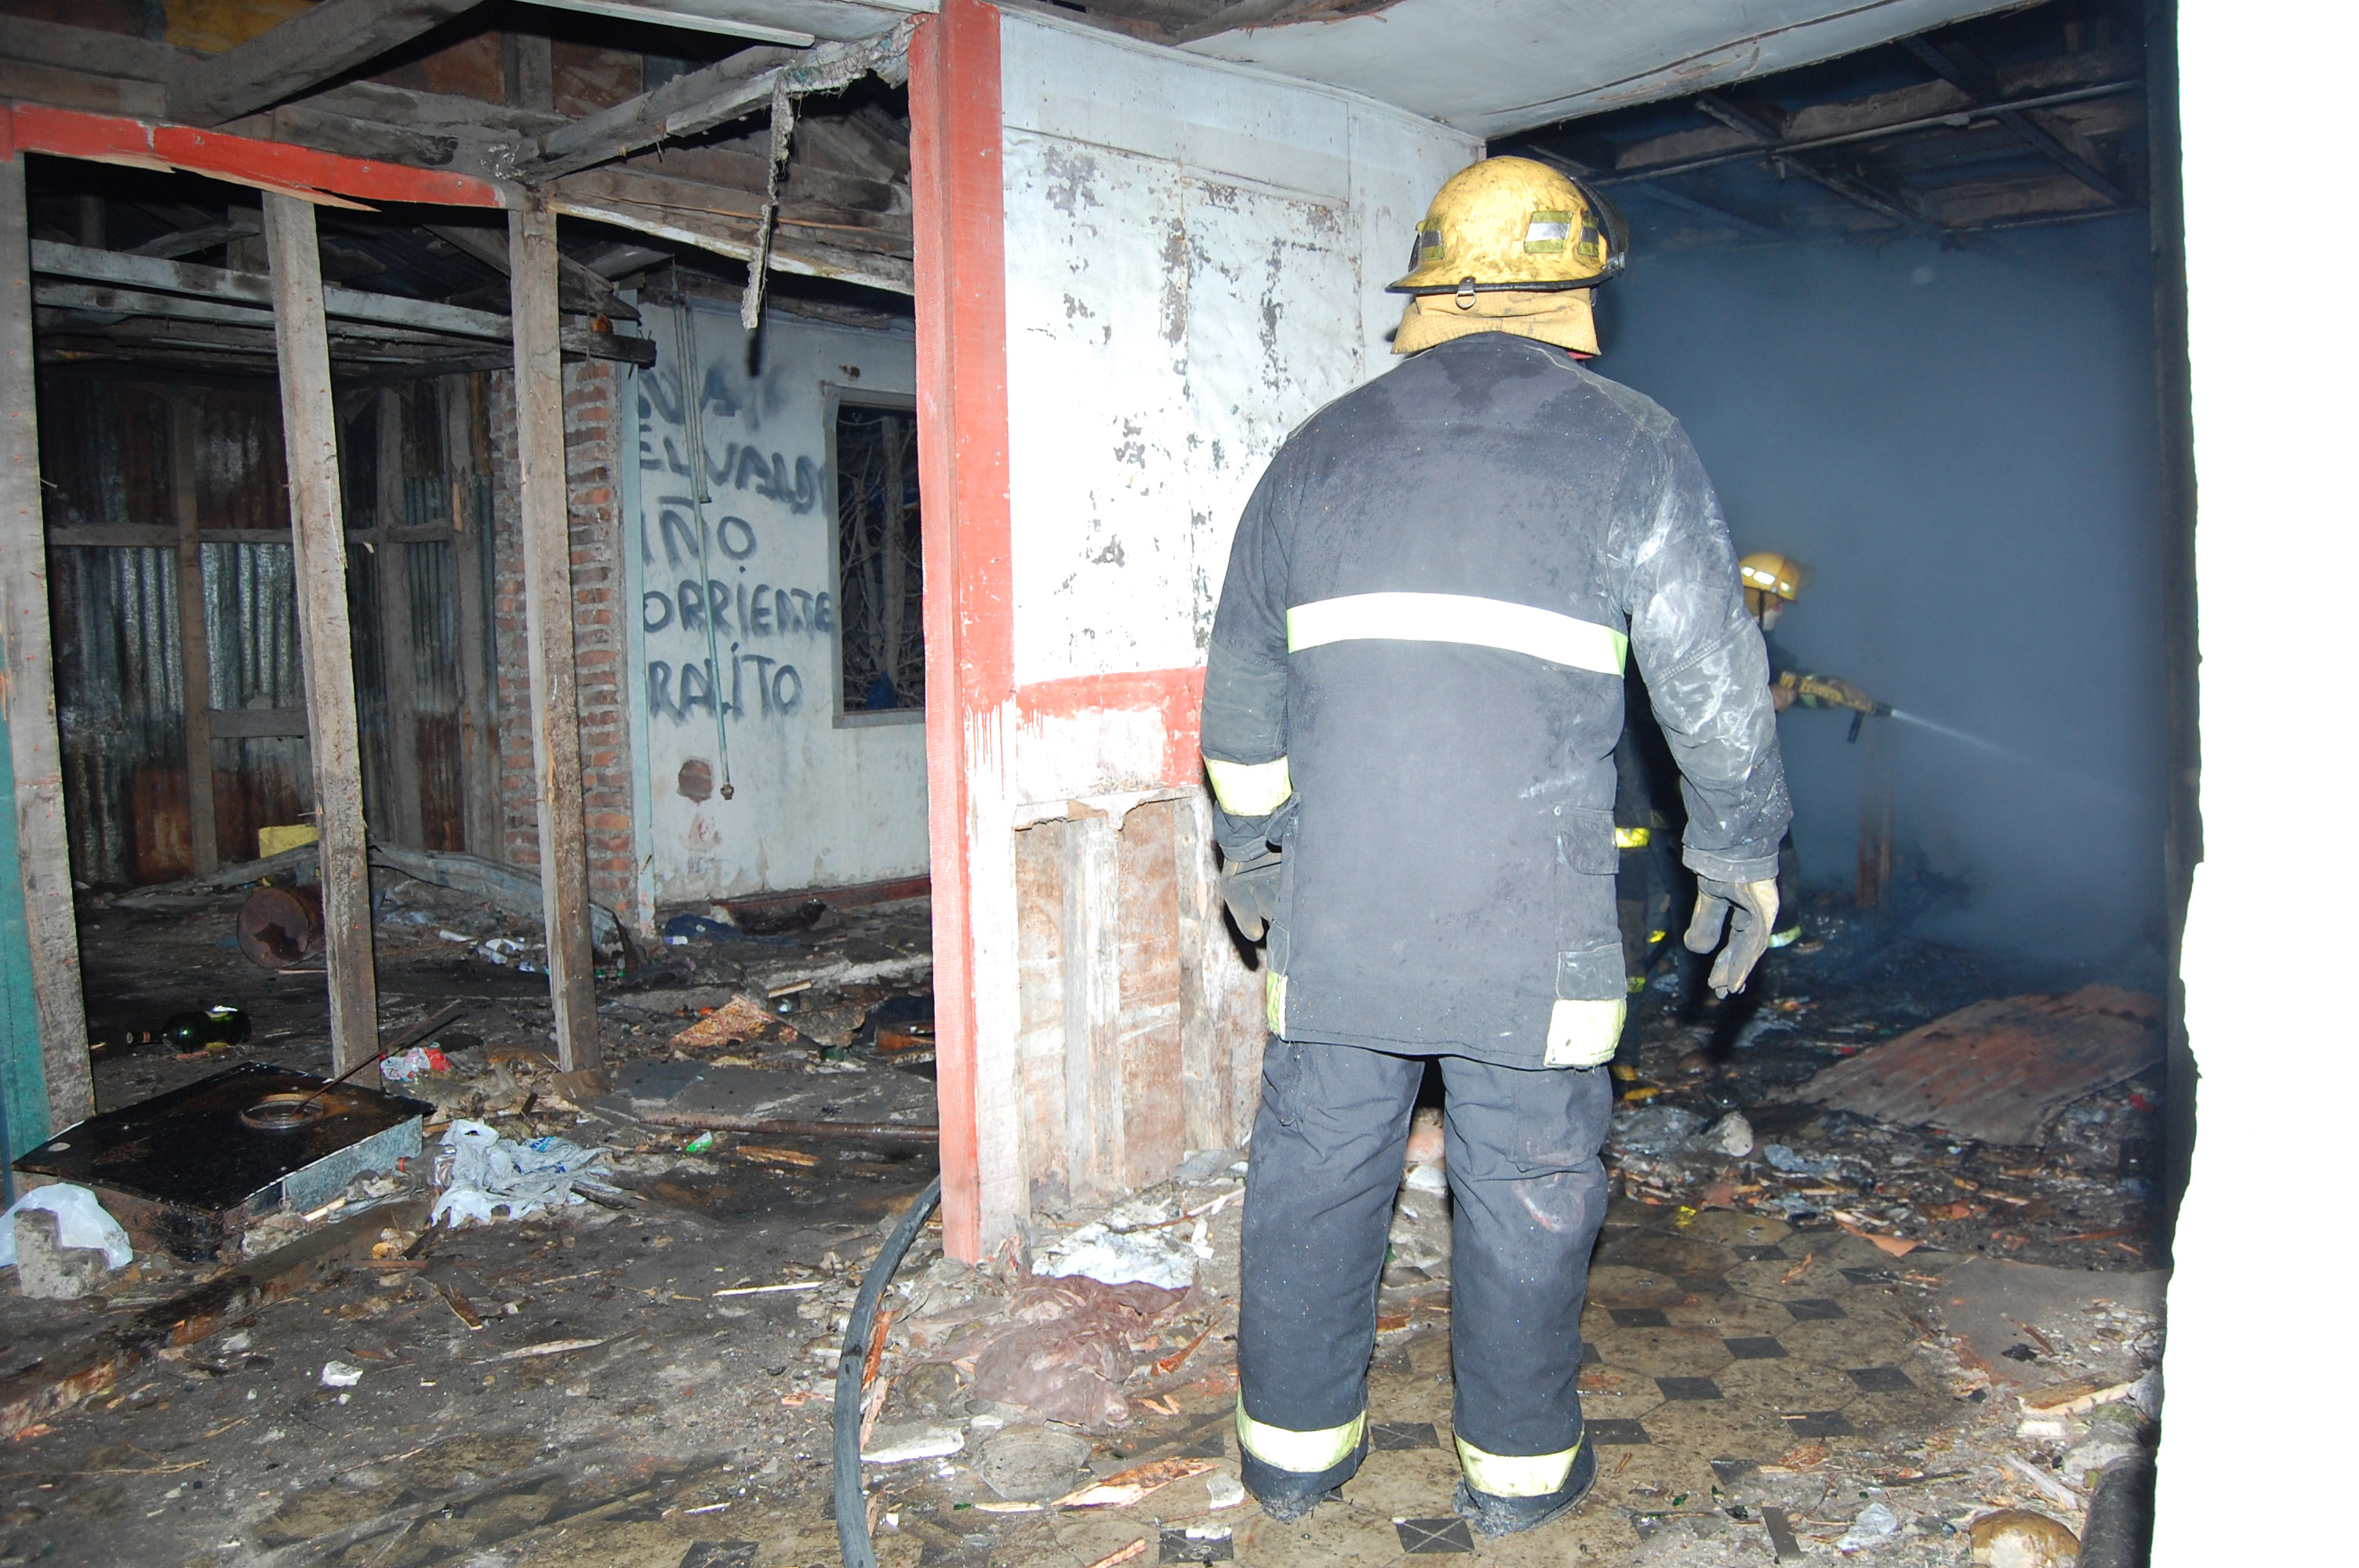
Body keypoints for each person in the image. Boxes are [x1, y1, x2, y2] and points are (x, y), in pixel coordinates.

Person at [1198, 155, 1790, 1537]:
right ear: (1573, 289)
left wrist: (1256, 850)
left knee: (1315, 1171)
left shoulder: (1317, 450)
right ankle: (1517, 1481)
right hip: (1529, 926)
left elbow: (1237, 697)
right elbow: (1709, 688)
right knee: (1527, 1189)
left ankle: (1291, 1460)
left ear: (1428, 287)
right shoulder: (1633, 445)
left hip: (1343, 917)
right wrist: (1739, 852)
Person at [1737, 552, 1884, 948]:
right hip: (1717, 775)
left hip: (1753, 771)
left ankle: (1780, 937)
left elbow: (1792, 680)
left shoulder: (1760, 641)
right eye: (1778, 599)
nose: (1783, 609)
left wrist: (1832, 690)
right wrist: (1760, 700)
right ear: (1755, 596)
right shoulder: (1718, 638)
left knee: (1778, 850)